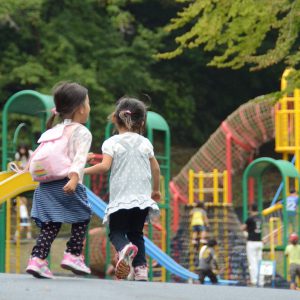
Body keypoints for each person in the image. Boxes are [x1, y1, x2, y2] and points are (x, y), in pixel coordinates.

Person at [85, 96, 160, 281]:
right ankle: (141, 270)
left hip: (121, 199)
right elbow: (156, 168)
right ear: (142, 122)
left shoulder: (112, 143)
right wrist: (156, 191)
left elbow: (104, 167)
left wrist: (81, 170)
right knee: (137, 233)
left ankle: (124, 248)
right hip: (142, 199)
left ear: (114, 119)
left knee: (116, 232)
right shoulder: (146, 143)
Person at [25, 82, 92, 279]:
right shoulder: (82, 131)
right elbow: (78, 158)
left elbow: (61, 154)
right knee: (83, 215)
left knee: (51, 225)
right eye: (88, 104)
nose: (89, 108)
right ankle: (72, 254)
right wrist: (74, 178)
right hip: (66, 183)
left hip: (45, 186)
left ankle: (37, 259)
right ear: (81, 109)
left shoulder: (52, 130)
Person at [242, 204, 263, 286]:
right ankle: (261, 280)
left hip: (251, 242)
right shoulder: (260, 218)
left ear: (251, 209)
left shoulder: (250, 219)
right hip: (259, 242)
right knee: (259, 261)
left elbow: (243, 228)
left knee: (252, 262)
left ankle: (254, 280)